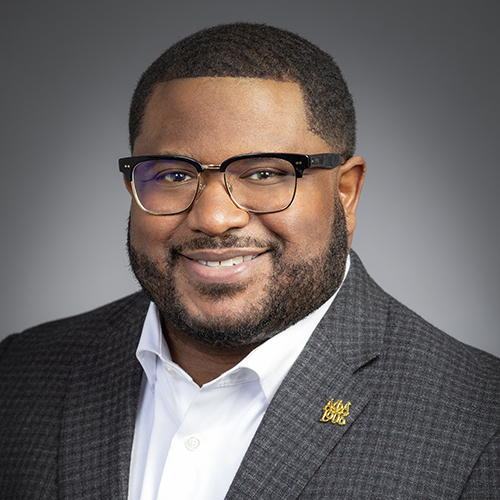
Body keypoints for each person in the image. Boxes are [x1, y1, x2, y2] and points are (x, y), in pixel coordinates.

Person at [0, 22, 499, 500]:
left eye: (264, 173)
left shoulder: (481, 424)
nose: (215, 219)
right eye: (174, 175)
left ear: (345, 192)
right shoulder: (20, 374)